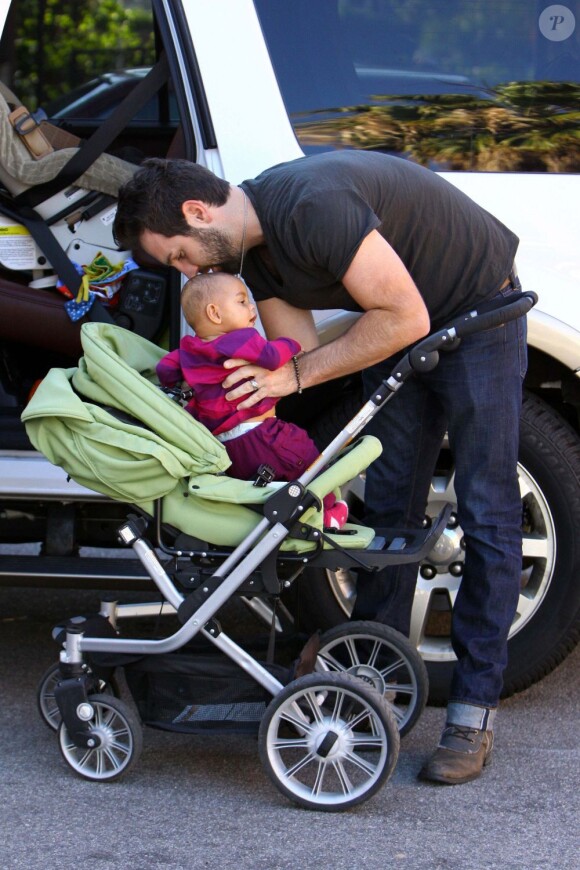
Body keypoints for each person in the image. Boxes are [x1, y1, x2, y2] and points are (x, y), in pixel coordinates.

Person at [114, 152, 527, 785]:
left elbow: (395, 321)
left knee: (487, 509)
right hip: (395, 326)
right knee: (387, 508)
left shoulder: (312, 206)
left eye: (178, 256)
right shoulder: (246, 259)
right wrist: (221, 390)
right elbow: (301, 354)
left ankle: (471, 717)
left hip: (475, 311)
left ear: (198, 215)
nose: (188, 273)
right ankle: (372, 686)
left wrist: (294, 374)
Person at [155, 269, 348, 528]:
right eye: (242, 301)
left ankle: (289, 520)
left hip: (226, 446)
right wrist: (292, 344)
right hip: (262, 434)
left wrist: (180, 383)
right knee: (306, 459)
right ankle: (326, 514)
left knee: (263, 484)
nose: (251, 308)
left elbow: (165, 369)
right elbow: (270, 356)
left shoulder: (189, 349)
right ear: (215, 313)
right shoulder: (240, 339)